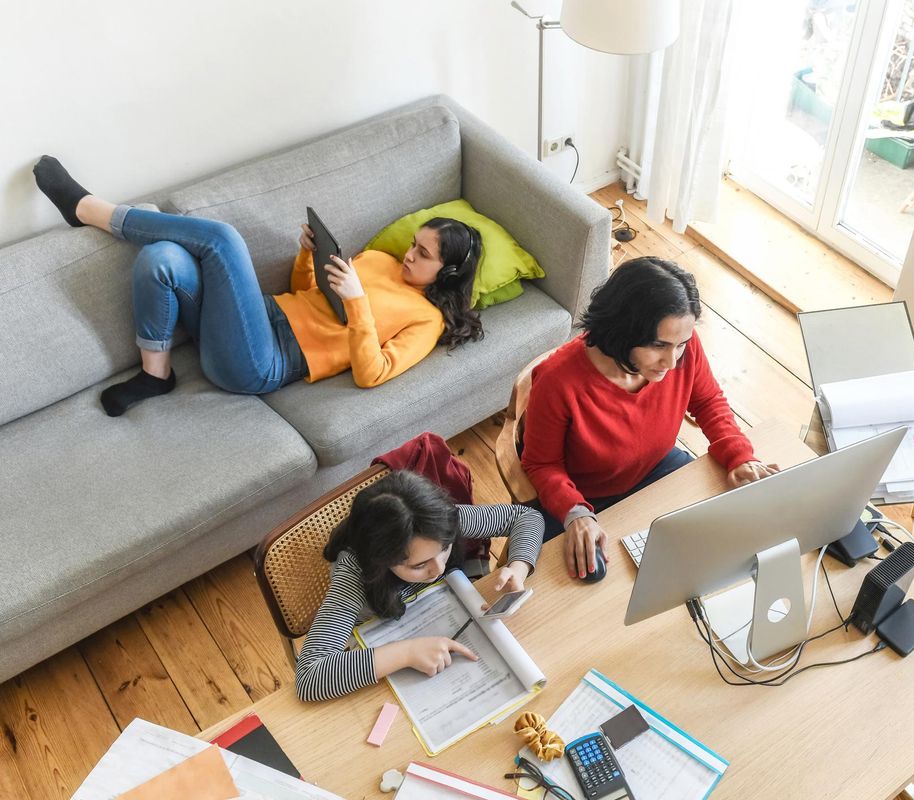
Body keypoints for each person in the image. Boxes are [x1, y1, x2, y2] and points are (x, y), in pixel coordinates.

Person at [32, 156, 483, 416]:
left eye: (423, 255)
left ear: (445, 274)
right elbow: (306, 291)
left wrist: (358, 304)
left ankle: (88, 209)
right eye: (414, 245)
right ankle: (156, 375)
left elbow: (372, 374)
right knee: (161, 258)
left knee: (223, 239)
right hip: (258, 318)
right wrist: (308, 254)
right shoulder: (381, 259)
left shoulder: (426, 320)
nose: (408, 254)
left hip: (264, 361)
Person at [521, 256, 778, 581]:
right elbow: (541, 464)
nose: (671, 362)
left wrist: (740, 456)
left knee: (718, 545)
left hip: (657, 467)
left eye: (680, 345)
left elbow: (709, 401)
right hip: (586, 495)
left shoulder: (683, 350)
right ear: (622, 329)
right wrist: (575, 512)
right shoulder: (557, 381)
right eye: (658, 345)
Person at [294, 470, 543, 702]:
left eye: (445, 549)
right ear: (380, 561)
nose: (439, 569)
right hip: (383, 646)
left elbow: (526, 517)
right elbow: (309, 677)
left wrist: (518, 567)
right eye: (419, 565)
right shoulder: (353, 574)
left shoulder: (438, 523)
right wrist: (408, 652)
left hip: (442, 616)